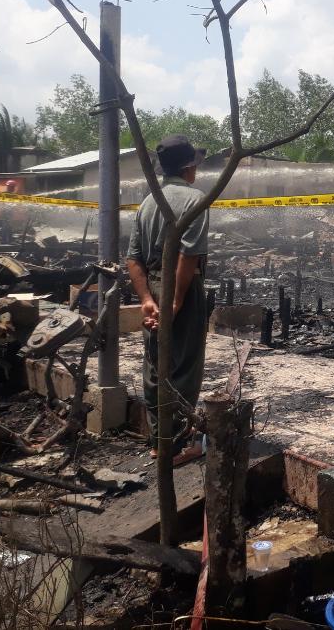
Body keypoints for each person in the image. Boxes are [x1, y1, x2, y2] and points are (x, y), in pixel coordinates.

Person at [127, 135, 209, 463]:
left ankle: (159, 441)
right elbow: (187, 258)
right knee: (185, 366)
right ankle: (176, 447)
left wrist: (147, 298)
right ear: (189, 168)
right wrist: (175, 302)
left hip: (154, 285)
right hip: (182, 289)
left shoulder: (149, 202)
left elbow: (133, 258)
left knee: (156, 363)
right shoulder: (195, 200)